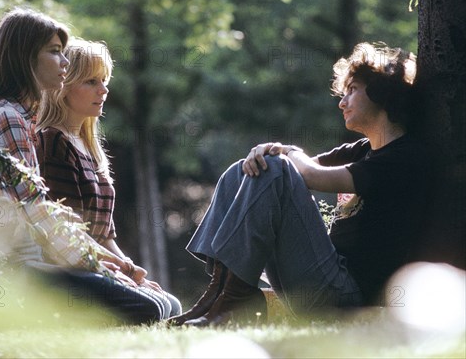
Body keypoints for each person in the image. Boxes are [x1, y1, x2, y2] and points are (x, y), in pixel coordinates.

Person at [169, 42, 425, 327]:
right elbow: (288, 174)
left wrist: (284, 152)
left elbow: (312, 175)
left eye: (352, 90)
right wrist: (266, 153)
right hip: (319, 283)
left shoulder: (404, 157)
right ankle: (219, 296)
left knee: (274, 167)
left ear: (381, 92)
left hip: (346, 296)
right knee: (241, 171)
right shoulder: (362, 149)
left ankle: (235, 301)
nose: (342, 102)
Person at [0, 7, 166, 324]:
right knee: (150, 309)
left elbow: (46, 212)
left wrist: (112, 263)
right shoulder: (9, 119)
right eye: (55, 52)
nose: (64, 62)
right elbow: (39, 213)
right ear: (25, 57)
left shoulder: (13, 117)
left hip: (29, 264)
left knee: (163, 306)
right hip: (15, 271)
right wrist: (98, 266)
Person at [35, 37, 182, 320]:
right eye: (91, 81)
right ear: (64, 87)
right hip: (72, 267)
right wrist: (120, 271)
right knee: (154, 308)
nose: (103, 90)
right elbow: (70, 236)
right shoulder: (53, 143)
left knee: (171, 304)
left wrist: (130, 268)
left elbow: (105, 234)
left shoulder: (88, 146)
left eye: (104, 80)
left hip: (102, 260)